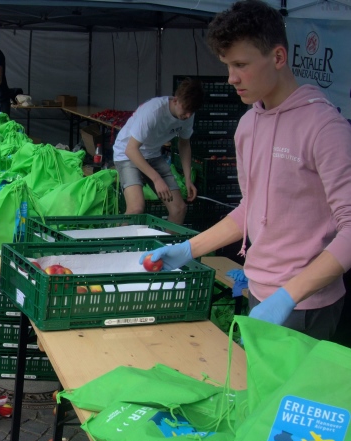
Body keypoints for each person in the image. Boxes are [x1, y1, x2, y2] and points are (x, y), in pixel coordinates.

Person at [147, 0, 351, 341]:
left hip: (306, 305)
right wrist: (189, 249)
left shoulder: (325, 128)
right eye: (228, 65)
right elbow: (250, 210)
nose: (232, 78)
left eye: (241, 64)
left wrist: (288, 295)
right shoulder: (247, 125)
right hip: (259, 291)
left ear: (278, 57)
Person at [112, 78, 203, 225]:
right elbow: (131, 149)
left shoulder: (188, 115)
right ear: (175, 100)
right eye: (186, 110)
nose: (187, 116)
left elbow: (184, 144)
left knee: (179, 209)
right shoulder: (153, 111)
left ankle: (166, 241)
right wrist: (156, 179)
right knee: (136, 208)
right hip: (127, 154)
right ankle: (118, 238)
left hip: (153, 154)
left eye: (191, 112)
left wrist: (187, 179)